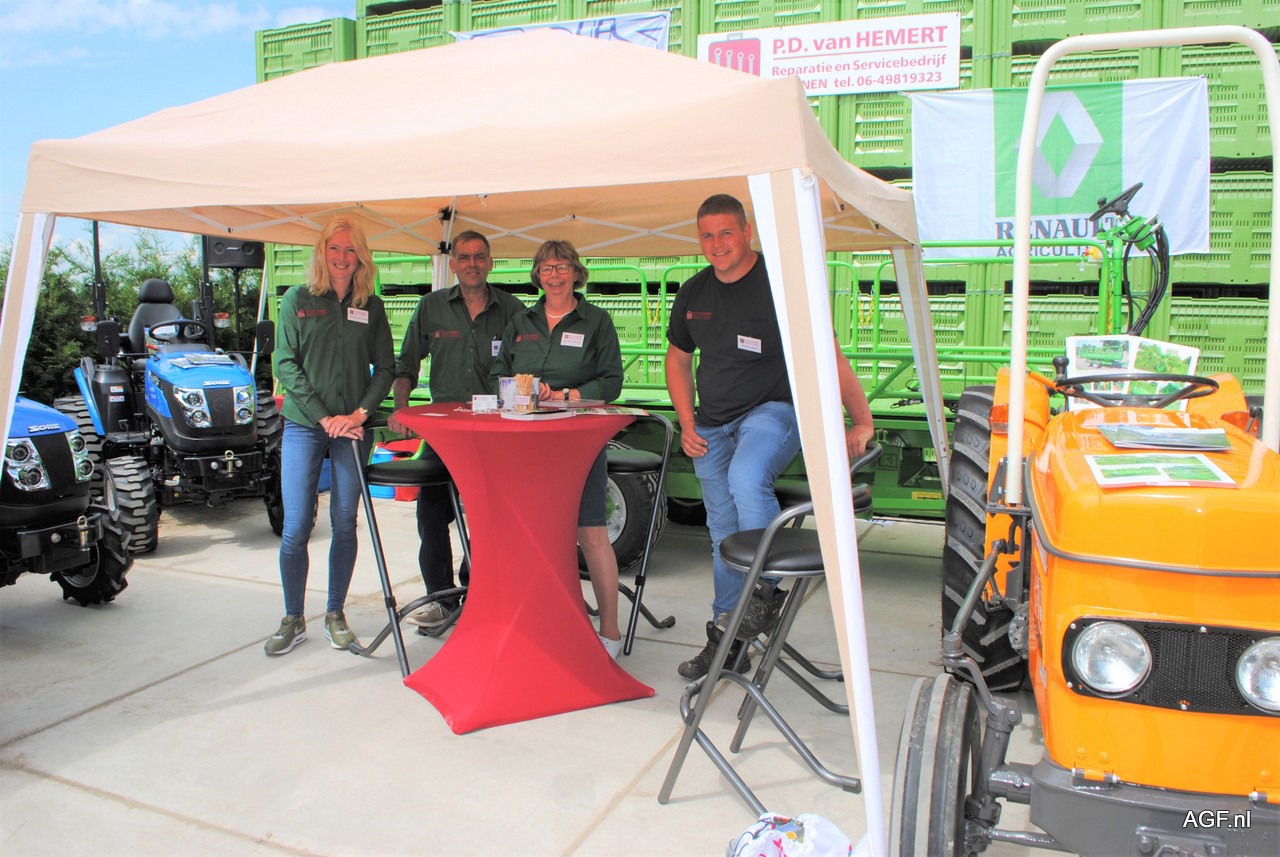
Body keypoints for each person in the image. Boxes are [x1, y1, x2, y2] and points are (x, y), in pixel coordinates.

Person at [665, 194, 874, 680]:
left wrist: (861, 419)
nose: (717, 244)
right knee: (723, 533)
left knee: (747, 478)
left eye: (726, 232)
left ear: (747, 232)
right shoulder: (693, 292)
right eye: (707, 235)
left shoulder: (781, 286)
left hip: (772, 411)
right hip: (711, 424)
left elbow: (830, 355)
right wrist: (687, 422)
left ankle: (764, 591)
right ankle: (729, 637)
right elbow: (678, 359)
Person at [265, 216, 395, 656]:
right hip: (305, 425)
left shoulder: (371, 307)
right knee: (296, 525)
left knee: (344, 522)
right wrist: (324, 418)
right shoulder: (297, 299)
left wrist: (358, 413)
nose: (342, 257)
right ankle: (292, 617)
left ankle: (335, 613)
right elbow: (286, 364)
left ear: (361, 257)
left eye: (350, 249)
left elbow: (386, 367)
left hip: (353, 427)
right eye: (335, 248)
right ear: (322, 252)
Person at [489, 239, 627, 657]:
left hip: (578, 441)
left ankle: (610, 632)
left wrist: (566, 395)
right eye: (547, 268)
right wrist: (518, 391)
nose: (555, 275)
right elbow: (498, 373)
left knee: (591, 532)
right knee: (534, 534)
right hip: (526, 443)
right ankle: (545, 624)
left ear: (576, 272)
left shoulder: (596, 321)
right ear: (537, 274)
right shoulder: (520, 321)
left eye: (562, 266)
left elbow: (612, 382)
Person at [387, 231, 524, 633]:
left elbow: (528, 366)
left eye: (479, 257)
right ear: (453, 264)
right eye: (464, 257)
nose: (472, 264)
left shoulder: (513, 309)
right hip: (444, 434)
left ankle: (476, 592)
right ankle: (441, 599)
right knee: (431, 515)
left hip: (496, 432)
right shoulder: (431, 307)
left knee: (489, 517)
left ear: (490, 263)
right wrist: (400, 408)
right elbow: (406, 364)